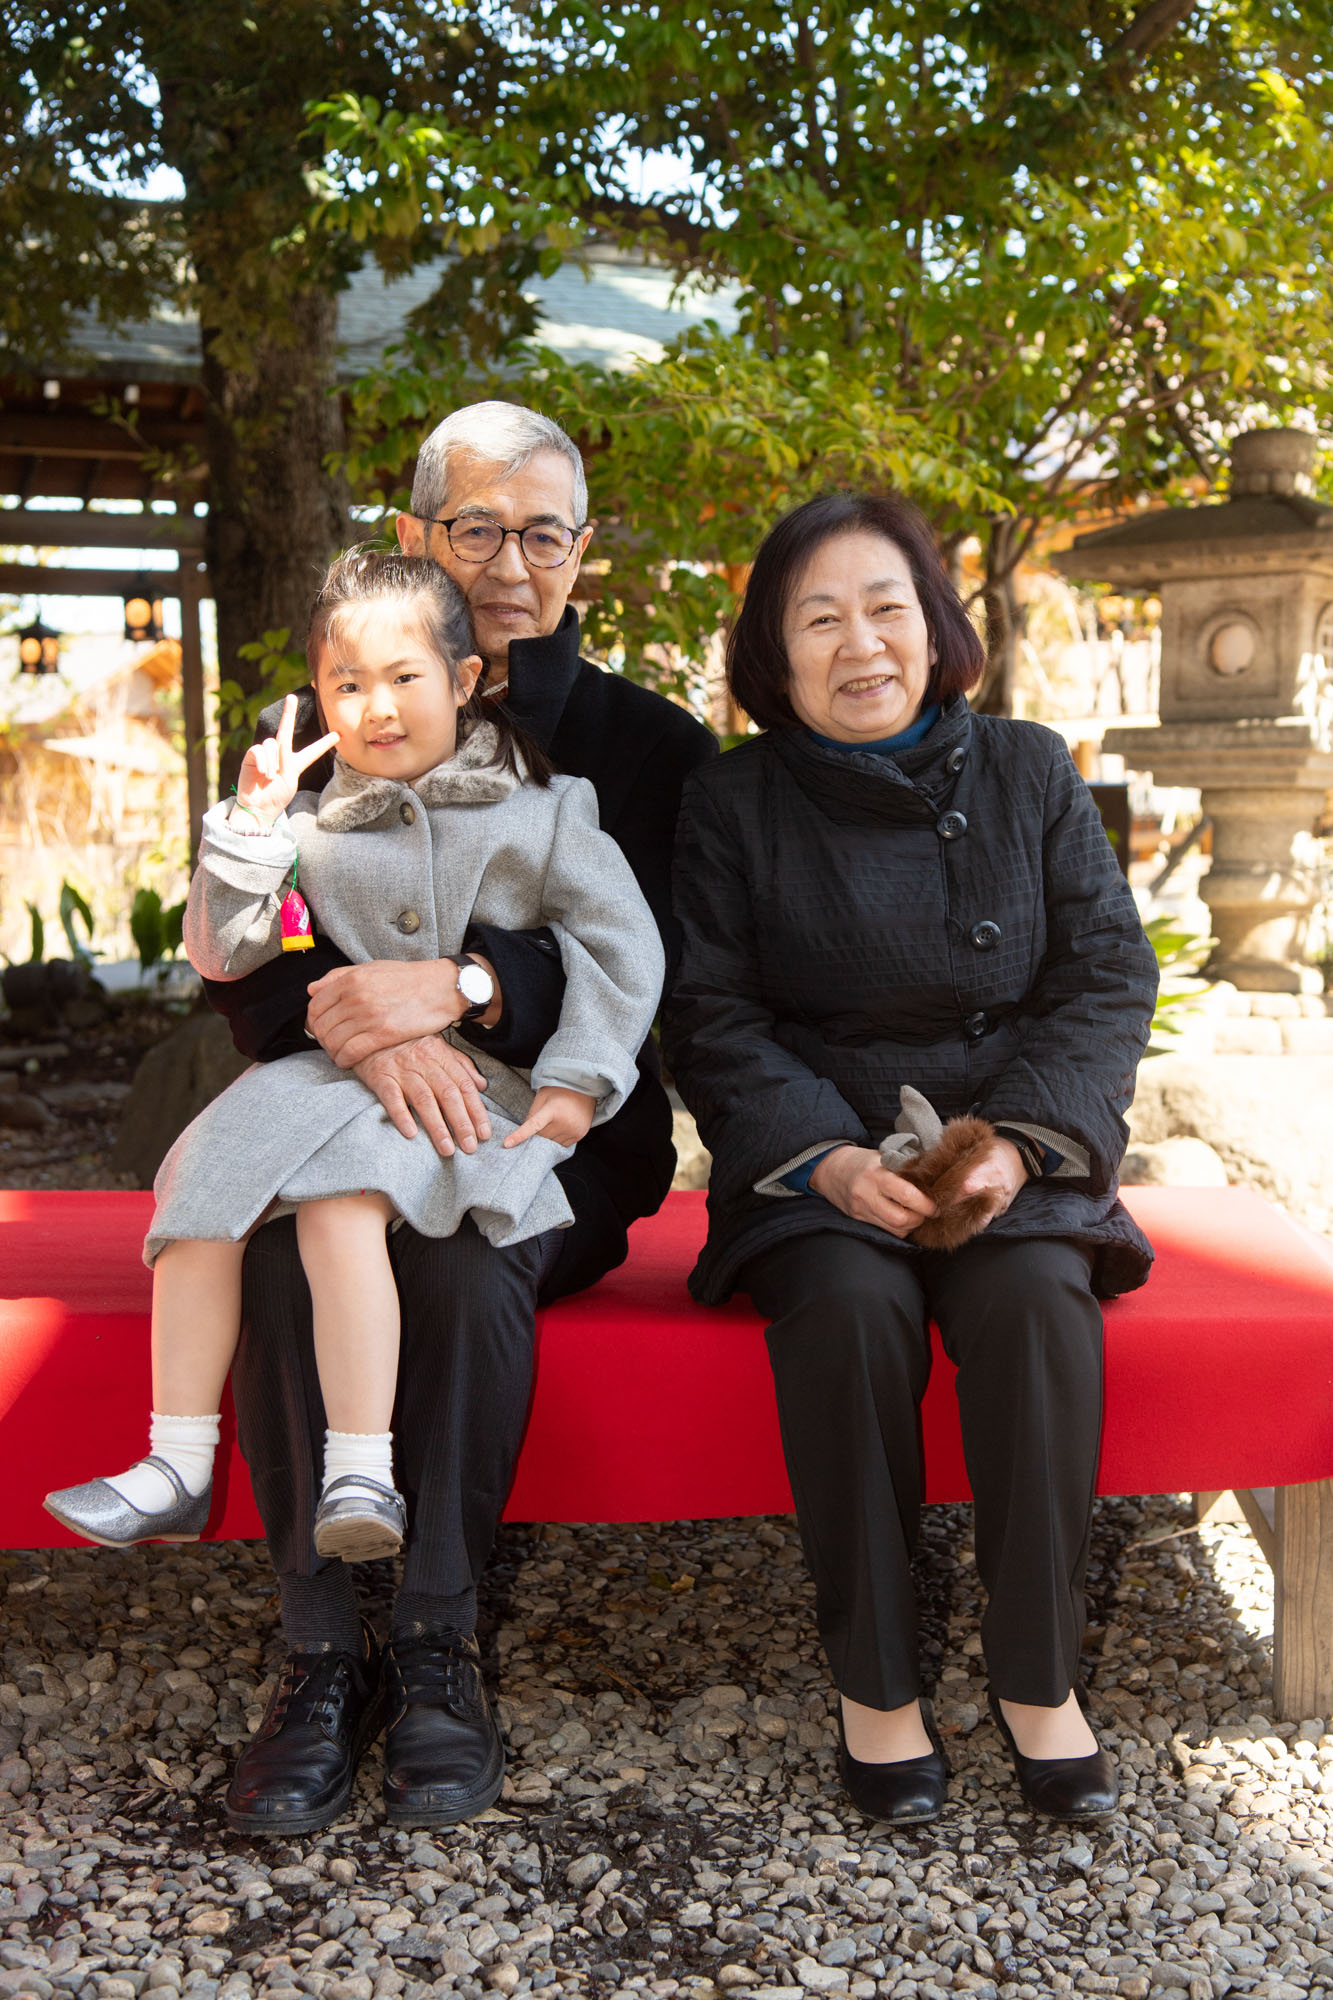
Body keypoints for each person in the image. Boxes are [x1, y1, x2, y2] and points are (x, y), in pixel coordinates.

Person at [201, 404, 717, 1833]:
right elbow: (245, 958)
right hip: (334, 1112)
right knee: (278, 1254)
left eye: (541, 531)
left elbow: (654, 957)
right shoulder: (323, 721)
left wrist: (473, 985)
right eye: (474, 527)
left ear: (581, 553)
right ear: (417, 534)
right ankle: (316, 1655)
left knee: (469, 1259)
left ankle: (434, 1642)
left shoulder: (650, 745)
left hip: (551, 1133)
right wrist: (356, 1028)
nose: (509, 559)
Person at [663, 491, 1158, 1826]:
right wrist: (819, 1158)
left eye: (886, 608)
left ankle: (1038, 1677)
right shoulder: (732, 800)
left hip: (1003, 1141)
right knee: (848, 1310)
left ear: (936, 630)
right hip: (823, 1150)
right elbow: (708, 1013)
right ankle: (875, 1685)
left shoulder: (1029, 770)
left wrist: (1022, 1147)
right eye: (817, 618)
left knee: (1038, 1304)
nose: (859, 644)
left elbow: (1107, 975)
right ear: (771, 654)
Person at [45, 550, 661, 1607]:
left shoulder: (547, 807)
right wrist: (247, 831)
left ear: (466, 678)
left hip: (464, 1091)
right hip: (329, 1077)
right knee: (198, 1199)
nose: (375, 707)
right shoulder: (309, 824)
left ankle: (360, 1465)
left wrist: (581, 1075)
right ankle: (176, 1457)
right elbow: (234, 952)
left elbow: (620, 945)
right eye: (347, 683)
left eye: (404, 677)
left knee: (339, 1212)